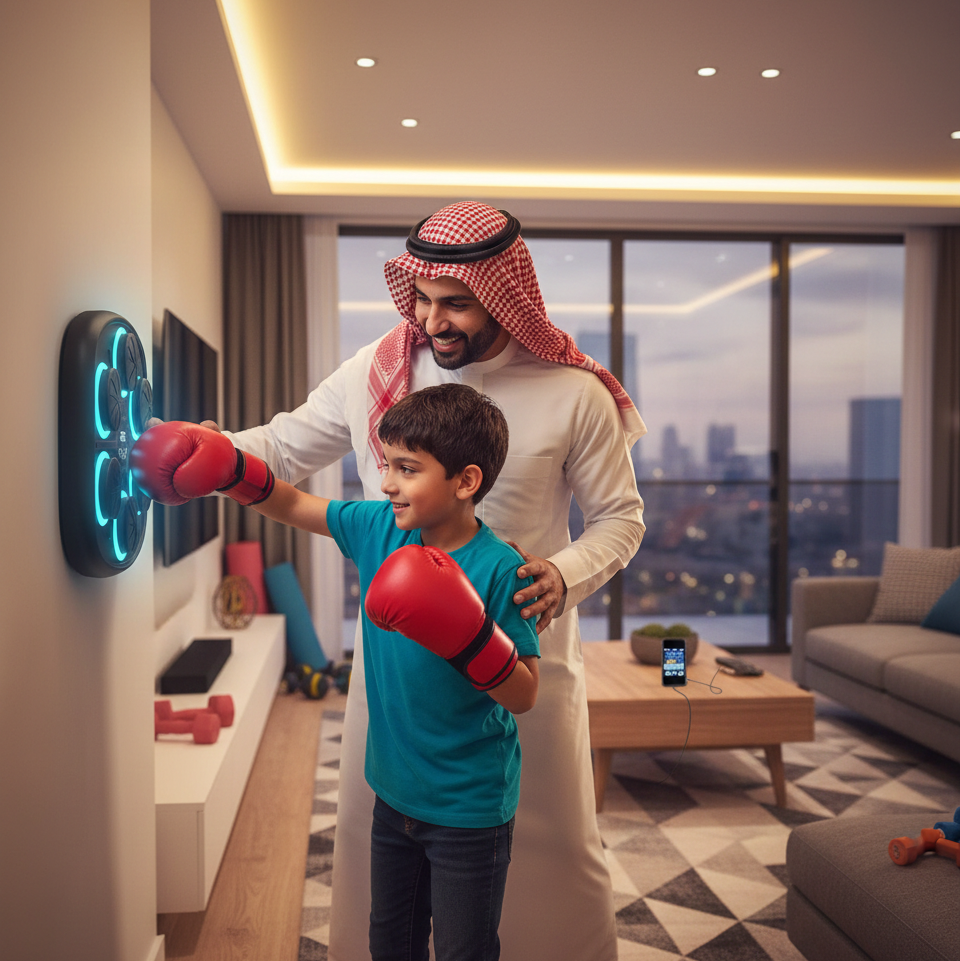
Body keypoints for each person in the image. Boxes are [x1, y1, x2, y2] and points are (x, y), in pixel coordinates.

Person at [223, 201, 645, 960]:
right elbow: (282, 453)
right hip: (397, 679)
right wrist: (210, 453)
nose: (432, 318)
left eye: (456, 302)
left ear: (505, 293)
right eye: (422, 297)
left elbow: (621, 518)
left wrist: (562, 572)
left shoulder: (573, 392)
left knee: (540, 858)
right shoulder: (377, 371)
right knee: (381, 857)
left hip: (519, 659)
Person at [133, 384, 541, 961]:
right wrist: (228, 467)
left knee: (463, 951)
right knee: (389, 943)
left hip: (469, 809)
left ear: (465, 481)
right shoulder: (381, 527)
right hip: (395, 792)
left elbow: (524, 694)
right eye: (386, 465)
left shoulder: (505, 568)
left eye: (407, 468)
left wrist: (467, 635)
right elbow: (293, 504)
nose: (389, 483)